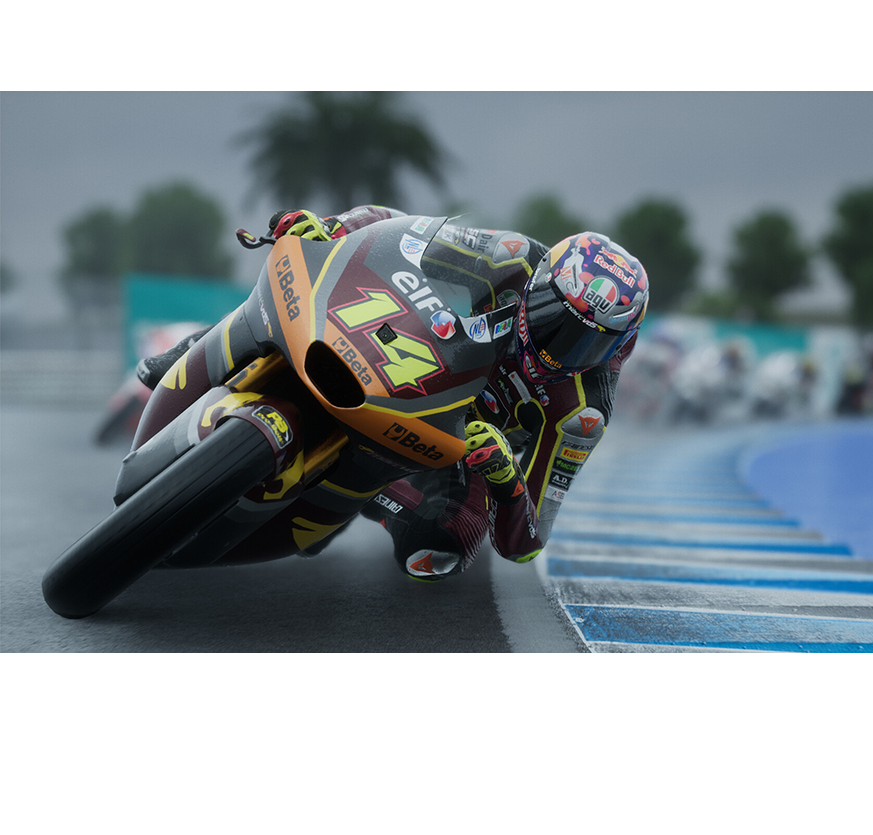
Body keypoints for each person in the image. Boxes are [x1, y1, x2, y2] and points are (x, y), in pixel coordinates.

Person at [138, 206, 649, 582]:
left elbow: (526, 543)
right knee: (293, 285)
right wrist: (332, 229)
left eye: (586, 341)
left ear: (620, 345)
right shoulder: (512, 256)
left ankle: (364, 494)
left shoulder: (583, 413)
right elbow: (400, 231)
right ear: (540, 281)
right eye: (550, 313)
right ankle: (203, 346)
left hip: (451, 446)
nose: (557, 343)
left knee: (439, 551)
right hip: (408, 359)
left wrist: (504, 476)